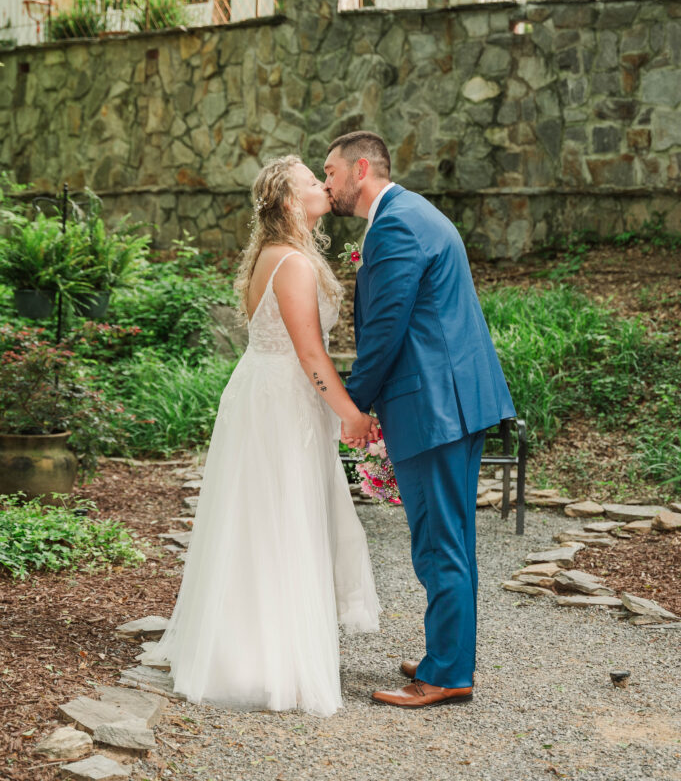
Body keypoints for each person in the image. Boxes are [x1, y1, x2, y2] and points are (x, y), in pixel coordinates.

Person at [155, 155, 380, 717]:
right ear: (287, 201)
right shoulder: (293, 264)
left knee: (261, 518)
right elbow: (310, 353)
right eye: (312, 181)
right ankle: (275, 660)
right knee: (282, 517)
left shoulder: (273, 255)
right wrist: (351, 415)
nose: (323, 186)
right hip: (282, 400)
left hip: (265, 392)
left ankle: (246, 650)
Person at [324, 131, 515, 709]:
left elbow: (384, 330)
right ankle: (447, 656)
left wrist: (352, 407)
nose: (325, 181)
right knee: (449, 538)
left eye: (329, 171)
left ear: (361, 169)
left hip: (437, 405)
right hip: (451, 399)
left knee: (439, 543)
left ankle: (448, 674)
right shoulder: (411, 212)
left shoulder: (397, 225)